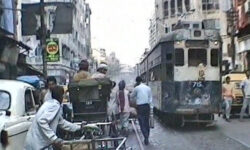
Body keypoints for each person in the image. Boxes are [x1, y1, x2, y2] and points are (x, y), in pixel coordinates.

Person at [24, 86, 83, 150]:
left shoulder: (49, 103)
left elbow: (62, 122)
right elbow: (42, 121)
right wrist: (54, 138)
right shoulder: (54, 105)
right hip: (38, 144)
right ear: (61, 96)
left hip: (36, 142)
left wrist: (78, 127)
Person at [131, 76, 153, 145]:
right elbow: (150, 98)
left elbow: (131, 96)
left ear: (137, 82)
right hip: (147, 106)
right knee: (146, 122)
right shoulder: (148, 88)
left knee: (141, 122)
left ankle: (145, 136)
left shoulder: (136, 88)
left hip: (140, 107)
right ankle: (147, 136)